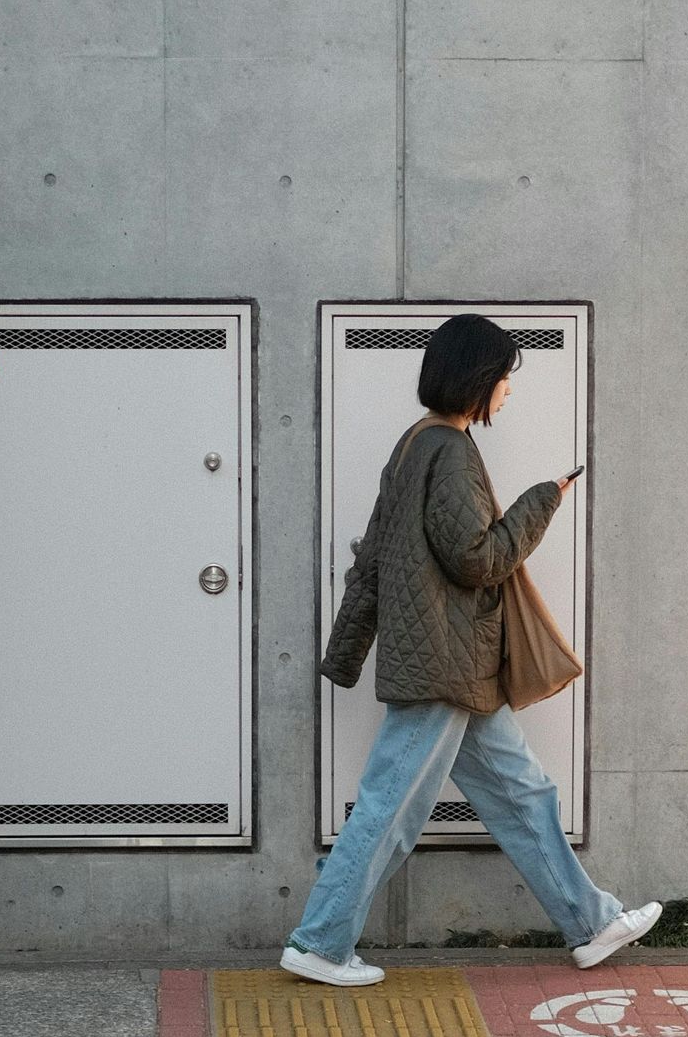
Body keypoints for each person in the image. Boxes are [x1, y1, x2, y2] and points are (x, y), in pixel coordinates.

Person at [282, 312, 660, 989]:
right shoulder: (448, 451)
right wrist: (543, 502)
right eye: (505, 376)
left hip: (453, 663)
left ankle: (591, 922)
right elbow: (476, 561)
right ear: (478, 378)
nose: (509, 389)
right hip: (445, 664)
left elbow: (372, 561)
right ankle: (319, 942)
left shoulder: (412, 445)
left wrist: (347, 653)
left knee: (524, 795)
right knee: (388, 809)